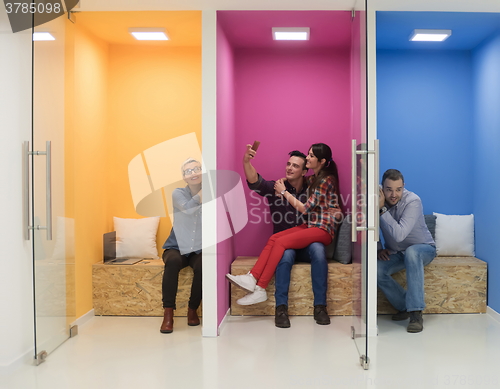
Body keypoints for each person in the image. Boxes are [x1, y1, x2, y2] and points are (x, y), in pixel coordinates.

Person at [226, 143, 341, 321]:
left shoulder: (317, 182)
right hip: (299, 236)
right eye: (289, 164)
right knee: (278, 243)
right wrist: (246, 162)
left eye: (296, 165)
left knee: (316, 250)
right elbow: (255, 182)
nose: (290, 168)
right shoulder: (283, 185)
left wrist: (285, 192)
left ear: (305, 171)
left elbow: (307, 208)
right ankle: (274, 301)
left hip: (316, 233)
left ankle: (320, 307)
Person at [377, 169, 436, 333]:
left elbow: (400, 234)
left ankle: (416, 313)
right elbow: (371, 226)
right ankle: (404, 306)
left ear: (404, 187)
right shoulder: (378, 197)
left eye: (398, 189)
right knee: (375, 270)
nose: (393, 194)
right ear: (382, 188)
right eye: (388, 189)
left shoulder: (413, 201)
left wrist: (381, 209)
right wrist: (378, 248)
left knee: (412, 252)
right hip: (397, 253)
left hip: (423, 249)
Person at [160, 159, 202, 334]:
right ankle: (168, 313)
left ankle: (192, 309)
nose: (193, 173)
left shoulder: (212, 195)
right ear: (184, 178)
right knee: (173, 262)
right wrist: (202, 194)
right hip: (176, 246)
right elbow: (187, 209)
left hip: (198, 248)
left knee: (203, 265)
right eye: (188, 171)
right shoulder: (178, 193)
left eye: (197, 169)